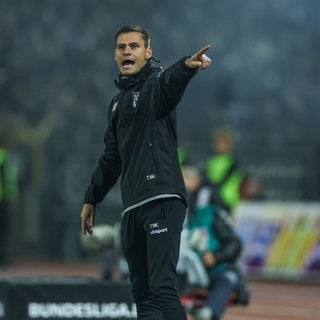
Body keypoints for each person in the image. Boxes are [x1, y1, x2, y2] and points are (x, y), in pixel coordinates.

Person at [80, 25, 212, 320]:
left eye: (134, 46)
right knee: (143, 296)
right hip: (133, 205)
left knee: (163, 288)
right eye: (121, 47)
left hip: (162, 197)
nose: (127, 50)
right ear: (115, 55)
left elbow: (169, 84)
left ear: (147, 52)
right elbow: (111, 157)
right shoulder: (115, 105)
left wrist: (186, 67)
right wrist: (92, 198)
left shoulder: (154, 85)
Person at [180, 165, 250, 320]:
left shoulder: (212, 213)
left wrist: (215, 257)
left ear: (196, 182)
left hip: (216, 271)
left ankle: (209, 314)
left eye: (185, 178)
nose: (181, 183)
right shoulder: (172, 215)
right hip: (185, 274)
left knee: (227, 278)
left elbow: (234, 244)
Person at [206, 128, 261, 215]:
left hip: (230, 200)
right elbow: (209, 178)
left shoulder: (234, 162)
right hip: (214, 199)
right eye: (217, 143)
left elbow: (243, 179)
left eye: (222, 143)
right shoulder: (212, 161)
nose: (218, 145)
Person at [0, 133, 19, 265]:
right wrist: (12, 197)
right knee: (3, 230)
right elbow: (9, 180)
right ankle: (2, 258)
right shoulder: (5, 157)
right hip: (2, 200)